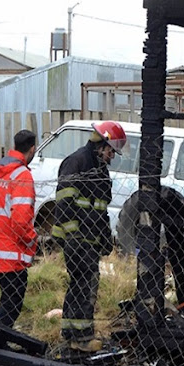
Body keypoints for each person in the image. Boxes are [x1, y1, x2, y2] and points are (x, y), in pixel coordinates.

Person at [52, 120, 126, 352]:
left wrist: (105, 239)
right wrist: (72, 236)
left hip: (90, 239)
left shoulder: (98, 169)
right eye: (111, 150)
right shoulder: (77, 162)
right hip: (77, 239)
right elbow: (64, 202)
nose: (112, 156)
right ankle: (82, 338)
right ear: (100, 144)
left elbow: (100, 209)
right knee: (86, 286)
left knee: (79, 285)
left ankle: (70, 333)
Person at [0, 130, 37, 332]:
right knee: (14, 297)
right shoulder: (22, 176)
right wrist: (32, 242)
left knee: (9, 295)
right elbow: (21, 221)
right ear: (32, 149)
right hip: (11, 252)